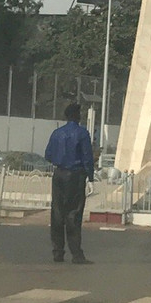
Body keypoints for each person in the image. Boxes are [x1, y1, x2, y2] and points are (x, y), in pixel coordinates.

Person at [44, 103, 94, 264]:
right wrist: (90, 178)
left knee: (57, 213)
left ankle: (58, 252)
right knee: (74, 213)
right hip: (76, 176)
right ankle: (76, 254)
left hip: (58, 175)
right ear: (78, 116)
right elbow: (87, 157)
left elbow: (48, 155)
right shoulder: (82, 134)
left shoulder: (57, 133)